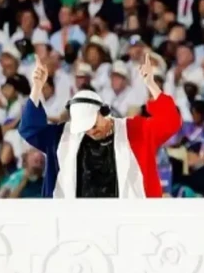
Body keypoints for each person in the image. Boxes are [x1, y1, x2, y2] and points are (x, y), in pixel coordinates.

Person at [18, 53, 181, 198]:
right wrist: (37, 88)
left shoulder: (133, 130)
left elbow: (171, 122)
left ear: (103, 112)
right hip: (73, 220)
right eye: (84, 127)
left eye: (93, 124)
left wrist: (152, 85)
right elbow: (29, 129)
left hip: (128, 219)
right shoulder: (63, 136)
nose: (91, 131)